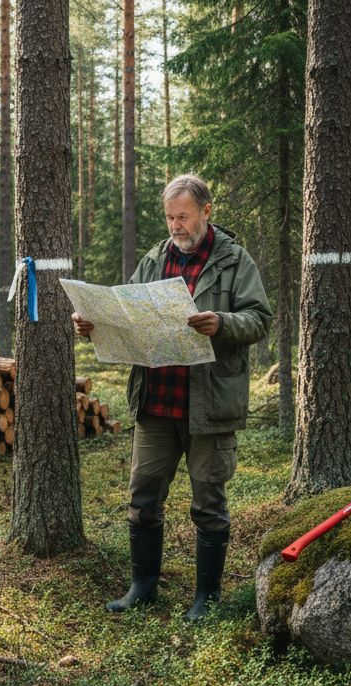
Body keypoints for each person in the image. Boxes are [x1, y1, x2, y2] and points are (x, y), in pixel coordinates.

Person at [73, 174, 273, 620]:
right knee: (143, 498)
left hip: (210, 403)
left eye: (182, 216)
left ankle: (207, 598)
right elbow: (124, 312)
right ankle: (142, 588)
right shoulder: (154, 259)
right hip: (156, 402)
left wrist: (220, 322)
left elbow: (260, 319)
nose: (175, 226)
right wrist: (93, 325)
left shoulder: (235, 261)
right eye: (169, 217)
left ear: (206, 211)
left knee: (209, 502)